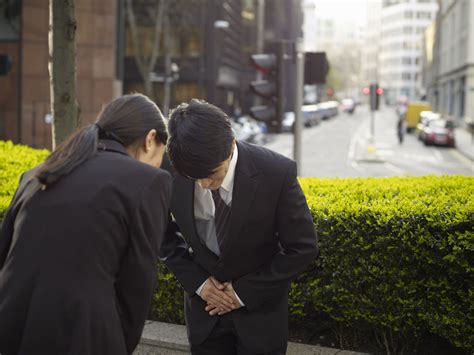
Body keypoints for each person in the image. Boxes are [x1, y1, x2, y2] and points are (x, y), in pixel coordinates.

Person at [0, 94, 172, 355]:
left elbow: (5, 252)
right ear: (150, 139)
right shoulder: (147, 181)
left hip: (13, 327)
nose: (159, 162)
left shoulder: (37, 173)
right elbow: (136, 283)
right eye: (161, 152)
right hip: (83, 334)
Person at [160, 99, 318, 354]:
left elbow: (303, 247)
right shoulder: (171, 167)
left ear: (231, 145)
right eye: (193, 177)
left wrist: (241, 293)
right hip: (204, 316)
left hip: (260, 320)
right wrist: (200, 284)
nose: (202, 184)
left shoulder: (276, 172)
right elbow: (162, 235)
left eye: (212, 174)